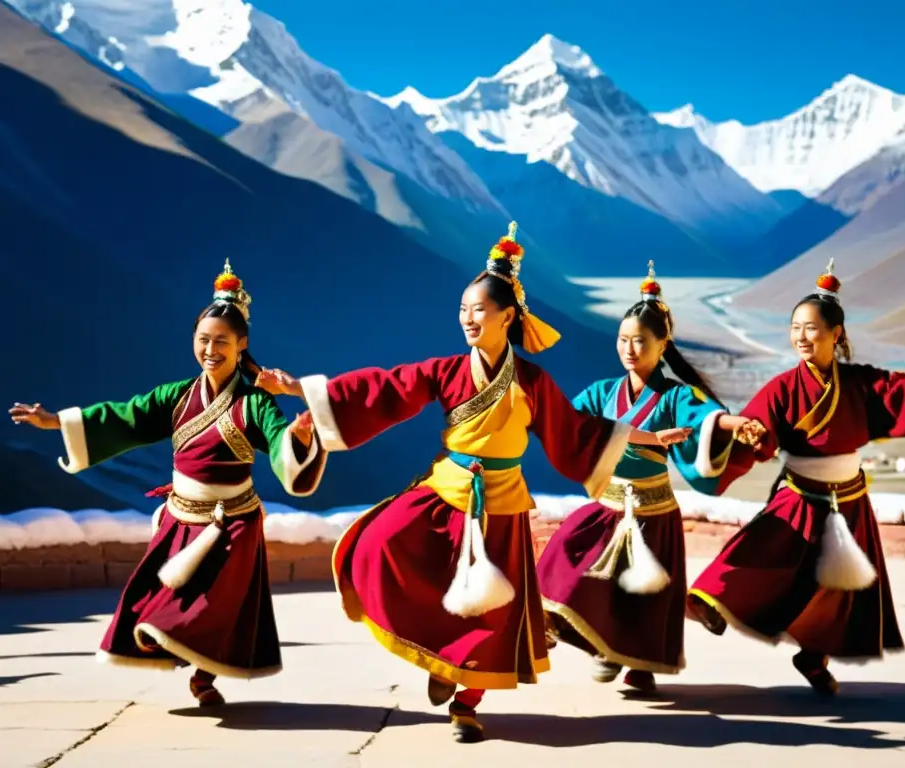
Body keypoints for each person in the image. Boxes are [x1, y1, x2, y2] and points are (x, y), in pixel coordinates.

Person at [258, 222, 691, 743]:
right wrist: (306, 392)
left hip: (503, 505)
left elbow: (576, 432)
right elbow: (386, 388)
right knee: (378, 545)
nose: (467, 318)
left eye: (478, 310)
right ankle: (441, 662)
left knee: (491, 616)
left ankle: (467, 701)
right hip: (446, 491)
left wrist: (645, 440)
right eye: (462, 309)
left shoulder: (532, 382)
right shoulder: (445, 370)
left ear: (507, 317)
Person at [9, 260, 327, 706]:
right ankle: (186, 663)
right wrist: (55, 421)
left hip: (232, 522)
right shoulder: (175, 396)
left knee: (214, 604)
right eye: (203, 340)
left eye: (221, 341)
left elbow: (277, 445)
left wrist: (296, 438)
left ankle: (202, 677)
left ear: (242, 346)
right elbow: (125, 416)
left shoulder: (255, 404)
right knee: (163, 603)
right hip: (181, 518)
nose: (210, 349)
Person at [685, 258, 905, 695]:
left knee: (841, 592)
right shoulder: (781, 388)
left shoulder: (860, 383)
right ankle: (709, 602)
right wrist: (749, 433)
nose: (800, 337)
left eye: (809, 328)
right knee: (764, 557)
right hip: (800, 495)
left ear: (836, 333)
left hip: (850, 500)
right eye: (794, 328)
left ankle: (813, 656)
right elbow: (759, 432)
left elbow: (900, 393)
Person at [537, 261, 753, 694]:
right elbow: (567, 419)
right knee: (563, 566)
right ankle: (592, 643)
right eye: (622, 340)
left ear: (662, 344)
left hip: (653, 510)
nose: (629, 349)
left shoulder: (676, 395)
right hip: (607, 504)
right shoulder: (601, 392)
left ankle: (638, 664)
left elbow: (707, 417)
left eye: (639, 341)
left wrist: (735, 425)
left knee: (643, 600)